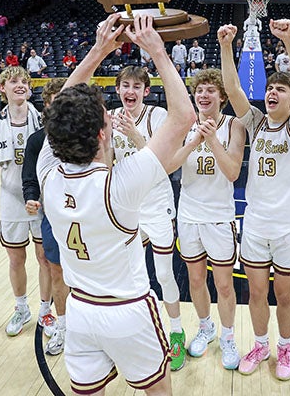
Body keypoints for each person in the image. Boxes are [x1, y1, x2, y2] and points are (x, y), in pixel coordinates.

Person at [37, 12, 196, 396]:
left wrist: (97, 51)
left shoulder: (47, 174)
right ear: (101, 133)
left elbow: (56, 114)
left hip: (79, 311)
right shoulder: (119, 185)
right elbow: (184, 117)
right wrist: (158, 51)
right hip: (128, 311)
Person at [219, 19, 290, 381]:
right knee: (256, 293)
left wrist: (289, 39)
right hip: (256, 224)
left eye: (280, 89)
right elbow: (233, 88)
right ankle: (260, 344)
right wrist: (227, 46)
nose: (273, 92)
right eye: (270, 88)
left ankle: (285, 347)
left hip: (288, 226)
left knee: (285, 295)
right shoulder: (256, 123)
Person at [109, 64, 187, 371]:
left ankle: (177, 331)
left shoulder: (156, 116)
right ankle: (136, 333)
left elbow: (163, 160)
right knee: (130, 275)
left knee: (165, 274)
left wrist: (135, 134)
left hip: (156, 203)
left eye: (136, 87)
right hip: (127, 205)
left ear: (146, 91)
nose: (130, 91)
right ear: (117, 89)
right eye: (125, 86)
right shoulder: (110, 115)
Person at [172, 68, 246, 370]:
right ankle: (206, 327)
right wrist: (192, 141)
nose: (203, 95)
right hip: (189, 214)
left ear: (222, 97)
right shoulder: (183, 125)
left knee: (225, 285)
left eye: (210, 90)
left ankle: (228, 336)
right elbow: (168, 165)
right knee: (195, 279)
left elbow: (232, 172)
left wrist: (212, 139)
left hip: (219, 217)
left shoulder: (235, 125)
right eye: (199, 90)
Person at [0, 66, 54, 337]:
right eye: (13, 81)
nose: (20, 85)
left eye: (24, 81)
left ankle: (46, 310)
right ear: (2, 88)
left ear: (30, 88)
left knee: (44, 257)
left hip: (40, 197)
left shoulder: (44, 121)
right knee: (15, 258)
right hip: (10, 197)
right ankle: (21, 307)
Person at [22, 78, 68, 355]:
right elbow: (29, 177)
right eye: (54, 104)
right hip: (52, 215)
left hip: (84, 216)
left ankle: (89, 327)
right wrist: (31, 197)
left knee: (88, 275)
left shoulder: (85, 134)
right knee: (57, 271)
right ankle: (62, 326)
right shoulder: (38, 140)